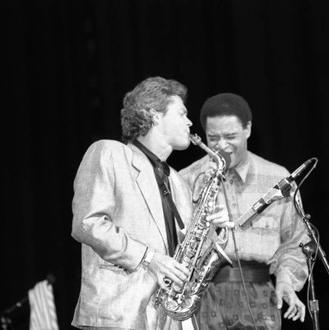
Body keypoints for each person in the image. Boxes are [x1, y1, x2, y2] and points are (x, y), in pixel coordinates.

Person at [70, 77, 229, 330]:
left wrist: (213, 230)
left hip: (167, 318)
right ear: (154, 114)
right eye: (182, 113)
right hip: (118, 314)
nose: (189, 122)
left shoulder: (177, 181)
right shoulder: (108, 152)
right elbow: (88, 224)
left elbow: (188, 251)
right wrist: (150, 258)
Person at [179, 93, 309, 330]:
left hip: (260, 296)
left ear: (248, 129)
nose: (221, 146)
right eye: (213, 138)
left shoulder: (278, 178)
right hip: (202, 297)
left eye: (230, 136)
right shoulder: (185, 180)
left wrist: (286, 280)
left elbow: (296, 242)